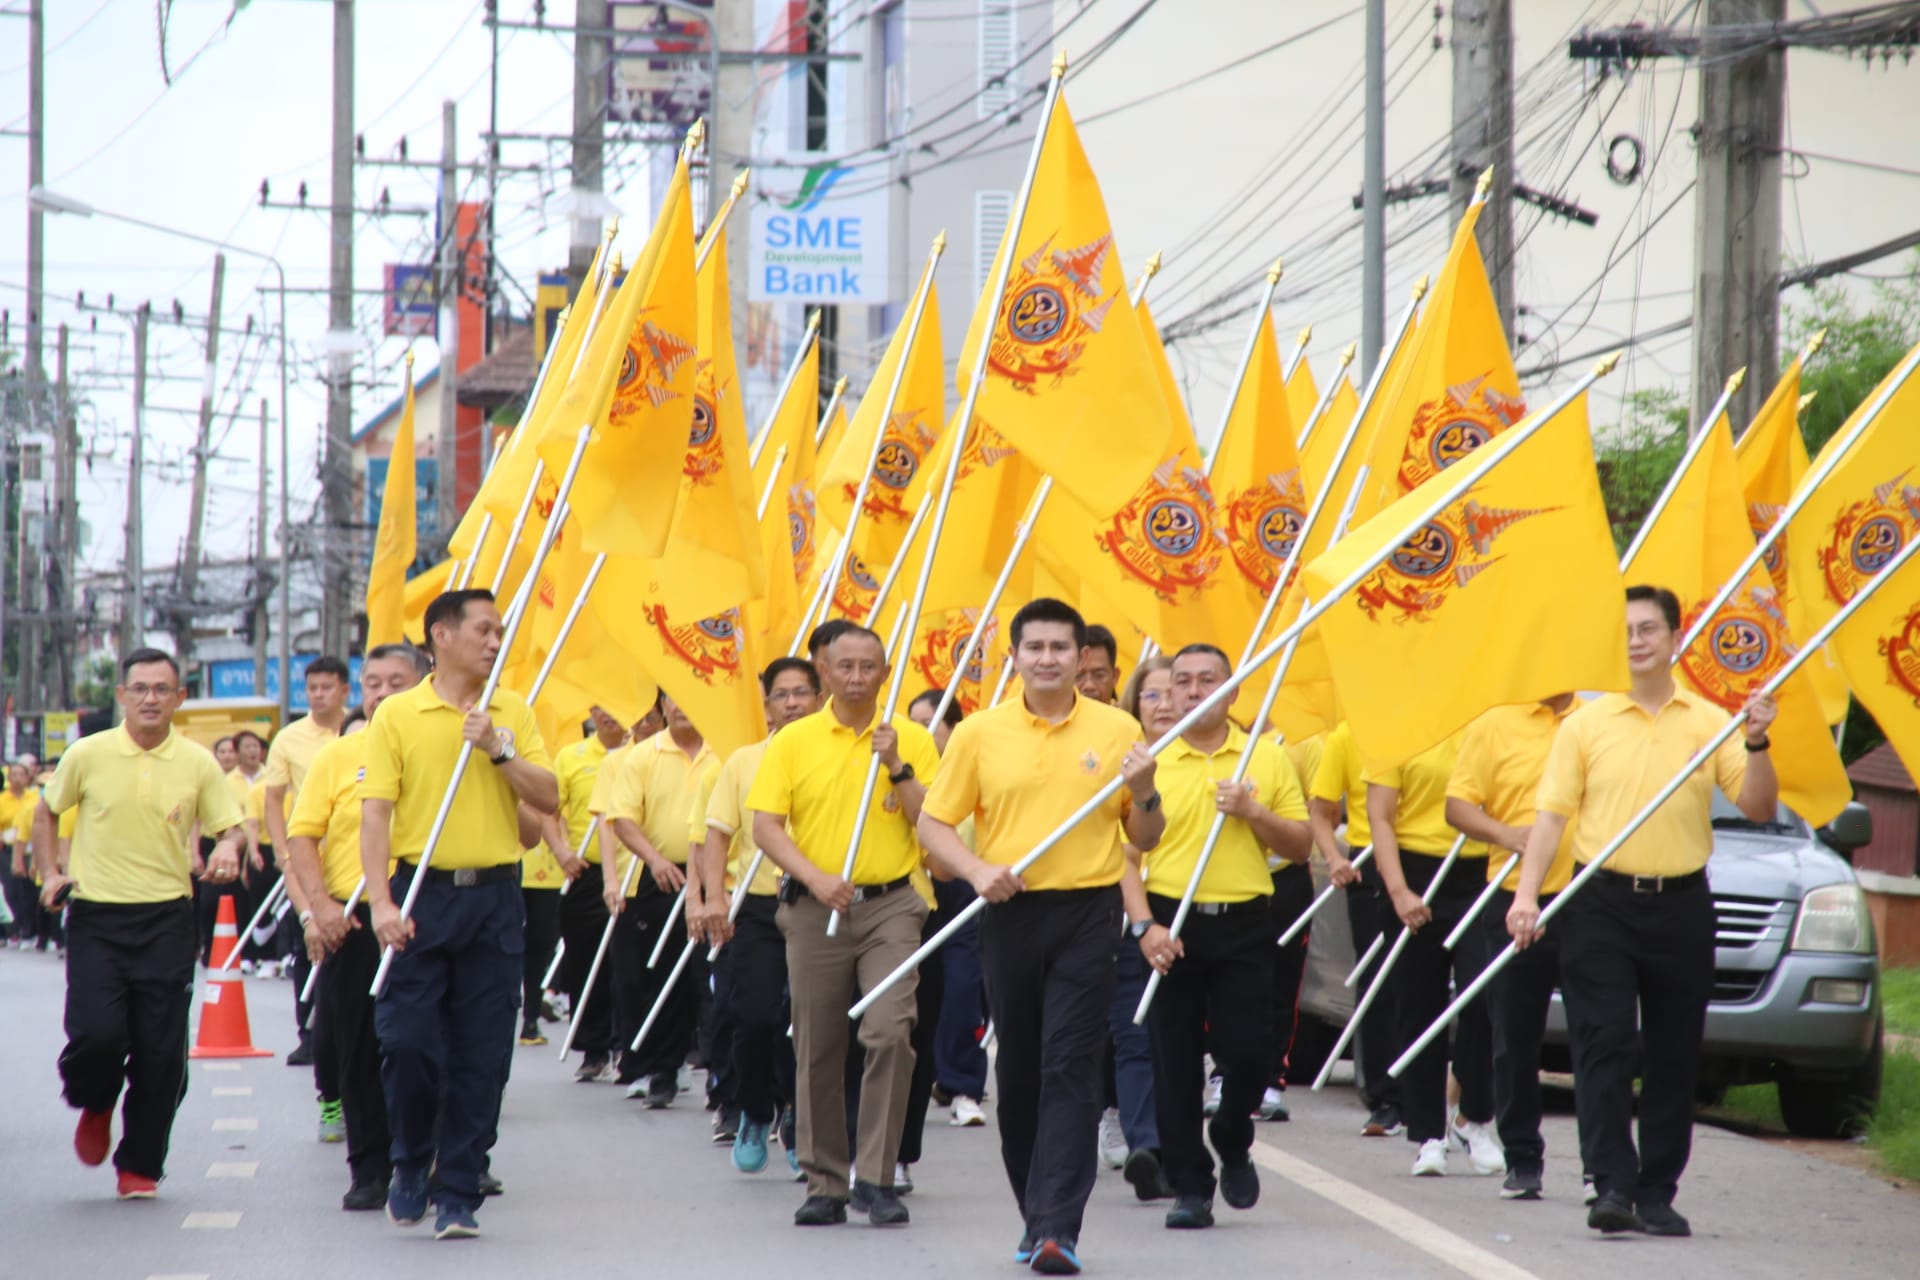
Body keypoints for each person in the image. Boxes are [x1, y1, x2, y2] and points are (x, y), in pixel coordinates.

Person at [1510, 585, 1778, 1238]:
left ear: (1675, 638)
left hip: (1682, 907)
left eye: (1649, 628)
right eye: (1626, 629)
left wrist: (1759, 741)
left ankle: (1658, 1189)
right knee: (1603, 1044)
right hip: (1599, 904)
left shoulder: (1709, 721)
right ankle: (1611, 1186)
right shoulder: (1585, 724)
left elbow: (1759, 807)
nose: (1635, 640)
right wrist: (1525, 895)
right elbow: (1549, 820)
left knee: (1672, 1054)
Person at [920, 597, 1163, 1276]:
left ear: (1082, 657)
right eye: (1037, 648)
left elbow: (1144, 837)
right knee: (1021, 1067)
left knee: (1069, 1064)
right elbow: (935, 825)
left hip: (1089, 911)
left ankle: (1059, 1226)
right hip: (1010, 911)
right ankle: (1035, 1210)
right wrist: (975, 870)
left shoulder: (1118, 729)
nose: (1050, 659)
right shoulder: (979, 734)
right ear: (1016, 657)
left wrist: (1144, 793)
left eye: (1062, 648)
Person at [362, 589, 556, 1240]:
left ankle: (459, 1189)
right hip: (421, 895)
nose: (494, 640)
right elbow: (376, 813)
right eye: (483, 629)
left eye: (499, 631)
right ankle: (411, 1159)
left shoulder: (513, 711)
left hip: (495, 899)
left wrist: (499, 751)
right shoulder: (398, 714)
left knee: (482, 1055)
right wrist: (381, 902)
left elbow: (549, 798)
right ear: (441, 636)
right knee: (408, 1043)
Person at [34, 648, 247, 1199]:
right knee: (96, 1035)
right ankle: (97, 1099)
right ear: (122, 696)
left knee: (160, 1052)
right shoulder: (88, 753)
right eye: (140, 689)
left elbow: (231, 827)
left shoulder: (198, 762)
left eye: (162, 689)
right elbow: (46, 810)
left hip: (166, 920)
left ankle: (141, 1164)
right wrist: (50, 873)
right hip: (97, 918)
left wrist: (226, 848)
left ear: (179, 698)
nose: (150, 698)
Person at [748, 625, 940, 1228]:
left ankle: (877, 1176)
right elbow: (767, 827)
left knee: (889, 1032)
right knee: (818, 1042)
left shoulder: (911, 738)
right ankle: (825, 1179)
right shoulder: (794, 740)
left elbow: (931, 825)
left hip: (892, 906)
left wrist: (898, 765)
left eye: (869, 667)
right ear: (823, 672)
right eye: (845, 666)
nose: (857, 677)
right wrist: (817, 877)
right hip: (815, 907)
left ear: (886, 674)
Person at [1124, 644, 1311, 1229]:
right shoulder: (1148, 760)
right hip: (1170, 921)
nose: (1193, 690)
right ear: (1168, 691)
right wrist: (1143, 926)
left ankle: (1232, 1134)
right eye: (1182, 681)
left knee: (1250, 1050)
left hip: (1246, 922)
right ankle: (1190, 1186)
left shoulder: (1266, 757)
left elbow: (1301, 846)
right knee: (1173, 1060)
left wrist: (1255, 813)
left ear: (1233, 693)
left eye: (1209, 680)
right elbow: (1125, 855)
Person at [284, 643, 430, 1212]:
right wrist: (319, 907)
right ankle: (369, 1166)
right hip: (353, 920)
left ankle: (427, 1157)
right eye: (374, 682)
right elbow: (303, 836)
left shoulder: (442, 751)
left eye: (398, 681)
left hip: (423, 911)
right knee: (358, 1044)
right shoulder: (338, 757)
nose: (383, 692)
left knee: (420, 1046)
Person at [1445, 694, 1581, 1202]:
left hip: (1583, 894)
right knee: (1513, 1034)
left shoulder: (1593, 719)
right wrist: (1507, 834)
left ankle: (1601, 1169)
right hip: (1510, 894)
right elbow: (1457, 805)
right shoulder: (1495, 720)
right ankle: (1523, 1158)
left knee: (1594, 1032)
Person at [689, 659, 821, 1175]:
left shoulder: (831, 755)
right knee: (755, 1015)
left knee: (802, 1021)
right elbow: (717, 833)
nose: (792, 703)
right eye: (781, 695)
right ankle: (753, 1109)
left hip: (814, 904)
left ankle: (794, 1119)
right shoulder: (742, 762)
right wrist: (714, 897)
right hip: (758, 906)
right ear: (765, 705)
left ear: (818, 696)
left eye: (801, 693)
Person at [1367, 733, 1500, 1178]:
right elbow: (1380, 817)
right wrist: (1400, 890)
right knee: (1419, 1009)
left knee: (1484, 997)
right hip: (1414, 872)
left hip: (1481, 872)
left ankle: (1473, 1118)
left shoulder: (1495, 726)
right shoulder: (1403, 726)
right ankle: (1428, 1133)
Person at [605, 693, 717, 1105]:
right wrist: (654, 861)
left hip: (716, 876)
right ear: (662, 706)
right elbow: (622, 818)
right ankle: (663, 1069)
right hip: (662, 877)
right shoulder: (643, 756)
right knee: (661, 976)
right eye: (672, 698)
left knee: (709, 977)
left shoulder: (723, 752)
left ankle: (719, 1073)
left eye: (688, 695)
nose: (682, 705)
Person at [1101, 658, 1174, 1200]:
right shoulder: (1116, 762)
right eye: (1152, 695)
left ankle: (1182, 1144)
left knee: (1180, 1044)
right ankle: (1145, 1145)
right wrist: (1142, 922)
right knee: (1133, 1037)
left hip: (1196, 915)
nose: (1166, 704)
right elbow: (1123, 853)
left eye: (1177, 692)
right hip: (1133, 920)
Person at [1308, 721, 1402, 1136]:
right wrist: (1334, 858)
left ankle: (1426, 1095)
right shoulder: (1349, 735)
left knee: (1422, 982)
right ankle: (1383, 1096)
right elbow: (1321, 808)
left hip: (1433, 857)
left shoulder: (1447, 723)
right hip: (1369, 864)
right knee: (1378, 978)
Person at [909, 690, 989, 1131]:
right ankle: (922, 1080)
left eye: (932, 721)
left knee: (963, 989)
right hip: (914, 892)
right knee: (921, 995)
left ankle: (963, 1086)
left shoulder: (973, 763)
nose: (923, 731)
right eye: (915, 722)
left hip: (964, 886)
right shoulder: (900, 769)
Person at [266, 657, 352, 1064]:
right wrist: (284, 854)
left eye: (326, 687)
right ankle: (308, 1033)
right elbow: (273, 799)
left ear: (344, 691)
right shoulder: (289, 738)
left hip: (353, 849)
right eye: (312, 688)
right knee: (310, 939)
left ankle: (344, 1029)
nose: (318, 695)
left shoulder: (360, 731)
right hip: (307, 852)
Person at [548, 706, 636, 1082]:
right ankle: (592, 1047)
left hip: (633, 871)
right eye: (601, 708)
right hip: (584, 873)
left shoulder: (640, 754)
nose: (610, 716)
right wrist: (563, 852)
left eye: (617, 707)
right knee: (585, 960)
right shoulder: (572, 756)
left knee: (626, 964)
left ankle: (624, 1044)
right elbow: (549, 809)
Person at [3, 760, 42, 946]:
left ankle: (30, 931)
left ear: (28, 777)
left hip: (32, 848)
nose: (18, 779)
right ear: (9, 778)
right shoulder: (2, 799)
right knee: (11, 891)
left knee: (30, 891)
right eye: (14, 775)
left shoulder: (34, 798)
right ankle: (14, 930)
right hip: (8, 847)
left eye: (21, 775)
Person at [1076, 625, 1121, 706]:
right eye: (1079, 676)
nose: (1089, 686)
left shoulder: (1127, 718)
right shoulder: (1048, 717)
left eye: (1099, 675)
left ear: (1115, 676)